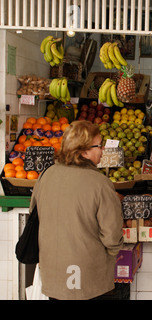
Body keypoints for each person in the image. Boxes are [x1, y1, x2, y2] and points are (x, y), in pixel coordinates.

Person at [30, 120, 124, 300]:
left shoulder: (46, 174)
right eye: (99, 145)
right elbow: (112, 235)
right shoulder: (100, 183)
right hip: (87, 274)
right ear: (84, 150)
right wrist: (111, 254)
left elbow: (34, 212)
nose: (103, 149)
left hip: (53, 270)